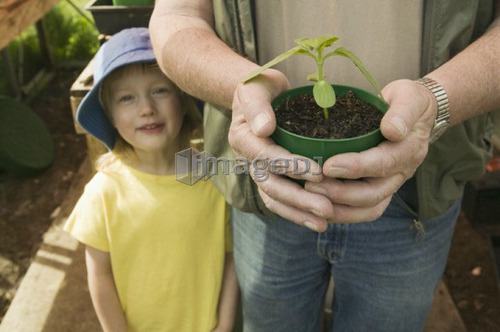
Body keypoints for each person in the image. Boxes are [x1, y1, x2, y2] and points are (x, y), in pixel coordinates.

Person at [150, 1, 500, 331]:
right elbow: (177, 16)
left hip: (418, 184)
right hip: (264, 179)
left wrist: (435, 101)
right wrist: (242, 86)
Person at [64, 27, 238, 332]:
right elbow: (100, 275)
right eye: (127, 98)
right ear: (111, 117)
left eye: (160, 90)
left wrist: (223, 325)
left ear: (183, 102)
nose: (146, 109)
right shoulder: (105, 191)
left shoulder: (212, 177)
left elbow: (231, 258)